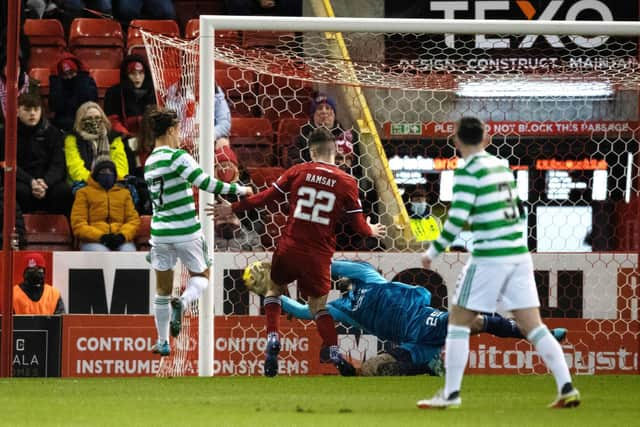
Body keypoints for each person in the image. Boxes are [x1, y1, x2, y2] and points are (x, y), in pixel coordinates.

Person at [417, 117, 579, 409]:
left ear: (455, 140)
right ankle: (566, 386)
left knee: (457, 320)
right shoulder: (500, 165)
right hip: (518, 252)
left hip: (491, 256)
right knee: (532, 325)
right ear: (485, 138)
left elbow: (458, 216)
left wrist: (433, 251)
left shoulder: (468, 169)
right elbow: (517, 210)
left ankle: (451, 394)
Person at [212, 128, 386, 377]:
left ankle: (273, 338)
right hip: (319, 255)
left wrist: (234, 208)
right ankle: (333, 350)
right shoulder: (347, 182)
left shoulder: (299, 171)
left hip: (290, 246)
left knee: (274, 289)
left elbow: (267, 198)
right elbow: (358, 227)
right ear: (335, 151)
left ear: (311, 151)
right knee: (317, 308)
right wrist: (371, 229)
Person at [243, 259, 568, 376]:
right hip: (412, 343)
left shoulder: (364, 275)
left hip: (419, 318)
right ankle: (429, 365)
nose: (327, 287)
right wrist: (274, 294)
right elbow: (304, 311)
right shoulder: (342, 308)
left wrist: (288, 270)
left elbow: (327, 266)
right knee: (370, 371)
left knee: (473, 322)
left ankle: (541, 335)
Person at [144, 107, 253, 356]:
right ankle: (182, 302)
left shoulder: (150, 161)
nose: (180, 134)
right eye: (179, 129)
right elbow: (205, 182)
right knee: (203, 276)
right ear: (171, 130)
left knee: (162, 289)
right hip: (186, 230)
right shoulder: (177, 157)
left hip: (160, 232)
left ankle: (162, 342)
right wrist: (240, 190)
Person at [0, 93, 72, 215]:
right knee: (15, 191)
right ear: (17, 111)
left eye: (36, 109)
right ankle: (19, 228)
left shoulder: (53, 132)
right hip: (21, 181)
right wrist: (30, 181)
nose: (32, 113)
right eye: (27, 110)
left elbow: (58, 164)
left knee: (64, 191)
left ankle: (58, 230)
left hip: (46, 183)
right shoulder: (6, 133)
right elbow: (6, 163)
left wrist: (45, 182)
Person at [71, 155, 140, 251]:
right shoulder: (83, 193)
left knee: (128, 252)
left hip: (121, 239)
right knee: (101, 253)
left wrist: (122, 236)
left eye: (111, 172)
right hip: (93, 240)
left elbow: (133, 221)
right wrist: (101, 237)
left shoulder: (124, 193)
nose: (107, 174)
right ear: (95, 175)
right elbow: (78, 224)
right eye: (103, 171)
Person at [64, 101, 129, 188]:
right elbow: (75, 168)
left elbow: (121, 165)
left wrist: (112, 181)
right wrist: (95, 183)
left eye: (97, 117)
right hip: (84, 183)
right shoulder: (72, 139)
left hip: (113, 181)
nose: (94, 121)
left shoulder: (114, 137)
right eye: (89, 118)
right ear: (80, 120)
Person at [287, 92, 358, 167]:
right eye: (319, 108)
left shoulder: (346, 137)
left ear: (334, 114)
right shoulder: (301, 138)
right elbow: (295, 162)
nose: (324, 111)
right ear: (313, 114)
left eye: (328, 108)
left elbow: (355, 165)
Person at [104, 55, 156, 139]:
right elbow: (112, 120)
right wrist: (126, 135)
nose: (137, 77)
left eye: (141, 73)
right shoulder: (114, 92)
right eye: (133, 74)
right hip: (123, 138)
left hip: (149, 138)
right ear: (126, 75)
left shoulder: (153, 92)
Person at [49, 53, 98, 132]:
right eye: (65, 75)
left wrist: (83, 78)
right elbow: (55, 105)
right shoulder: (57, 83)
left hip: (85, 120)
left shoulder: (86, 80)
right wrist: (55, 80)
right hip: (63, 124)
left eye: (72, 73)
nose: (69, 77)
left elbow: (90, 102)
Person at [0, 51, 39, 132]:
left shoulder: (32, 84)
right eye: (9, 66)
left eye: (17, 67)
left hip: (26, 129)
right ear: (3, 69)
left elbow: (38, 111)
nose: (13, 70)